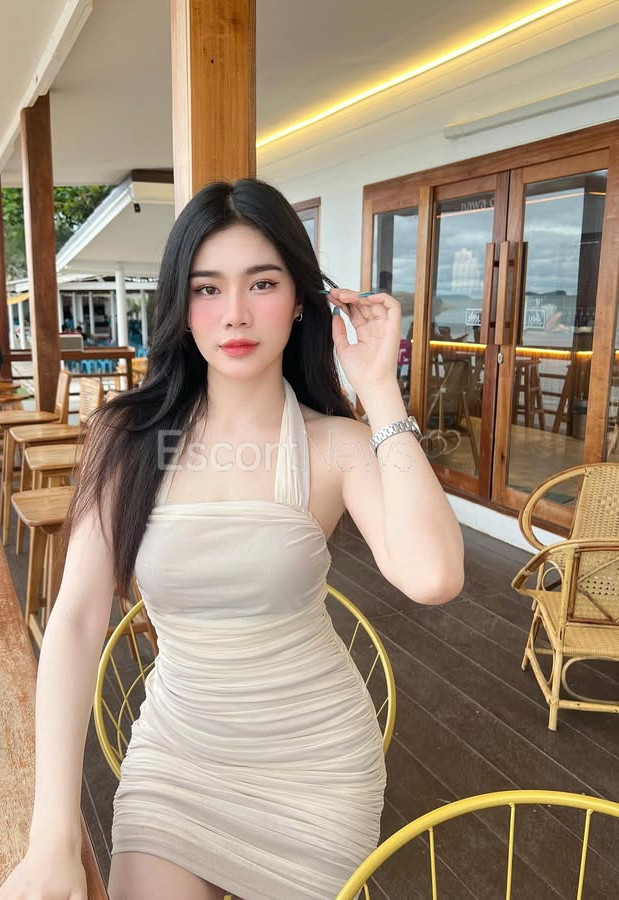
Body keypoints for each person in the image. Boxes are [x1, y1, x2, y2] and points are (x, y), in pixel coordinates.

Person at [0, 179, 464, 900]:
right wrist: (51, 834)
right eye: (207, 288)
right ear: (180, 305)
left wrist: (379, 389)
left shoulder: (336, 445)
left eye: (263, 283)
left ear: (300, 297)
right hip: (177, 759)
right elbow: (79, 619)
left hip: (314, 770)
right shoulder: (127, 438)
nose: (236, 314)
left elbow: (433, 576)